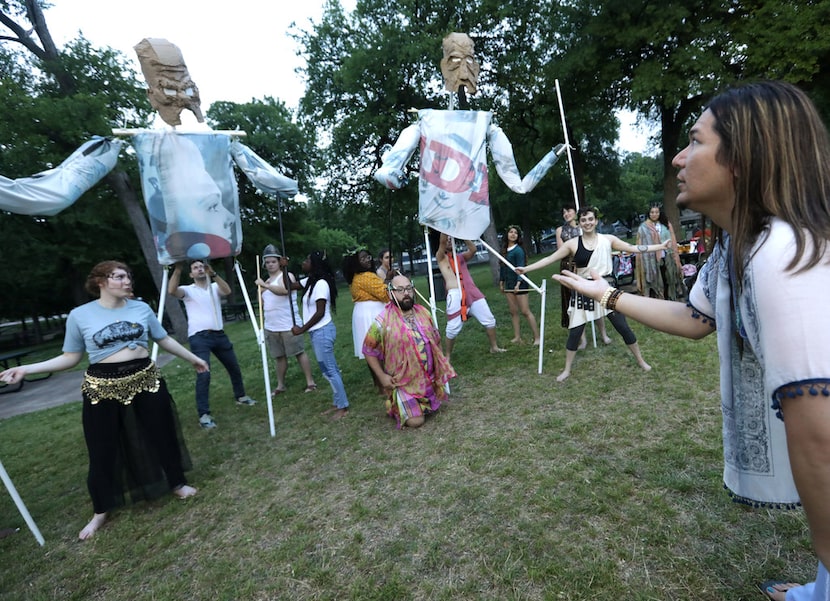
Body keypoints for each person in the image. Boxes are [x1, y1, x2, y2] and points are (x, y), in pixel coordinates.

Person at [552, 81, 830, 601]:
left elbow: (821, 433)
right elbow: (694, 317)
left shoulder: (784, 257)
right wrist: (606, 294)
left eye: (696, 143)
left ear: (744, 159)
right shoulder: (740, 247)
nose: (679, 158)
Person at [0, 261, 207, 540]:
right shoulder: (79, 315)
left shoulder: (141, 309)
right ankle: (101, 510)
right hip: (102, 387)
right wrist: (26, 369)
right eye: (120, 277)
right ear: (101, 281)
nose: (127, 281)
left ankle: (176, 483)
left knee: (162, 433)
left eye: (128, 277)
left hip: (146, 379)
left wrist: (194, 358)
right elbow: (70, 357)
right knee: (102, 447)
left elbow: (163, 339)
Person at [518, 207, 668, 382]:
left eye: (590, 219)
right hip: (584, 290)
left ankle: (641, 361)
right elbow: (548, 259)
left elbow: (634, 248)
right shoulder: (572, 244)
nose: (587, 223)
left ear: (596, 221)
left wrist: (660, 246)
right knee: (575, 333)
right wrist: (526, 269)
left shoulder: (608, 240)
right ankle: (567, 369)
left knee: (623, 328)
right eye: (583, 220)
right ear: (579, 223)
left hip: (607, 289)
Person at [168, 259, 256, 430]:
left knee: (234, 367)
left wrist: (213, 273)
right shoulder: (188, 290)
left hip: (219, 334)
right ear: (191, 274)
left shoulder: (214, 287)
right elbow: (172, 290)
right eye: (195, 268)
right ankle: (204, 414)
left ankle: (241, 396)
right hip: (199, 337)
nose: (199, 269)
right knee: (204, 374)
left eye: (201, 266)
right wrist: (178, 269)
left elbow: (228, 291)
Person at [363, 273, 456, 428]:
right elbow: (367, 349)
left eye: (408, 288)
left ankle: (423, 398)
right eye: (400, 290)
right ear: (391, 293)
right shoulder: (383, 320)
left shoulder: (423, 313)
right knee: (415, 421)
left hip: (428, 378)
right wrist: (382, 377)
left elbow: (435, 339)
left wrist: (441, 365)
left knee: (432, 409)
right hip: (403, 382)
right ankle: (396, 403)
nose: (406, 293)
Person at [292, 251, 349, 420]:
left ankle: (343, 406)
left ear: (315, 264)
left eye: (307, 260)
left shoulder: (321, 284)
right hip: (316, 332)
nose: (303, 262)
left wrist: (301, 329)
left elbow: (319, 312)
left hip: (323, 330)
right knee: (326, 370)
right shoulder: (311, 281)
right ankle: (337, 402)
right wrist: (283, 268)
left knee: (331, 369)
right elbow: (289, 286)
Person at [254, 245, 317, 395]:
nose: (270, 264)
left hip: (289, 323)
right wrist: (260, 291)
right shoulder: (267, 281)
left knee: (299, 352)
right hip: (271, 325)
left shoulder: (287, 276)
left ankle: (310, 382)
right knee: (279, 357)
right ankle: (280, 385)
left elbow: (284, 291)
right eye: (267, 262)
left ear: (279, 262)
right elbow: (262, 304)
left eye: (273, 262)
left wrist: (265, 286)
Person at [435, 231, 506, 362]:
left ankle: (494, 347)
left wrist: (462, 233)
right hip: (455, 294)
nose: (449, 241)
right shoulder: (440, 257)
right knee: (453, 328)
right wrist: (446, 228)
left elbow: (473, 249)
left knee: (489, 320)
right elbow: (442, 242)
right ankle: (448, 356)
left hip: (472, 293)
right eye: (448, 239)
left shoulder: (460, 257)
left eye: (452, 239)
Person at [556, 204, 609, 347]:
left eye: (569, 210)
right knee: (578, 305)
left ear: (575, 212)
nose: (566, 214)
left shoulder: (585, 226)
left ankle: (604, 334)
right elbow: (561, 251)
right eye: (564, 212)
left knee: (597, 300)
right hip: (569, 267)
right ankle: (583, 339)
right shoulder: (560, 230)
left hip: (587, 266)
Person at [341, 249, 388, 359]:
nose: (367, 260)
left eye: (368, 257)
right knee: (379, 351)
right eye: (363, 259)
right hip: (371, 314)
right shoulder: (366, 277)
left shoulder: (356, 277)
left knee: (372, 354)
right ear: (355, 262)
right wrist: (389, 280)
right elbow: (385, 294)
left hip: (363, 312)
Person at [499, 225, 540, 345]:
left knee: (525, 311)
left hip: (519, 284)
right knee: (513, 311)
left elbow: (520, 268)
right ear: (507, 234)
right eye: (511, 232)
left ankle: (537, 337)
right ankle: (517, 337)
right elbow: (503, 267)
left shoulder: (518, 250)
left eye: (515, 233)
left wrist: (518, 284)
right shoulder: (504, 250)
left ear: (518, 236)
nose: (513, 234)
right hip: (509, 284)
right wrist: (502, 283)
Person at [635, 205, 685, 300]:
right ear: (648, 214)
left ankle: (670, 298)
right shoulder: (643, 228)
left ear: (660, 213)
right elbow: (640, 245)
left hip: (667, 256)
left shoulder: (666, 224)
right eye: (652, 212)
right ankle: (659, 300)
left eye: (656, 212)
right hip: (651, 260)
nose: (654, 214)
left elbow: (672, 240)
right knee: (656, 281)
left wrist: (675, 256)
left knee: (669, 278)